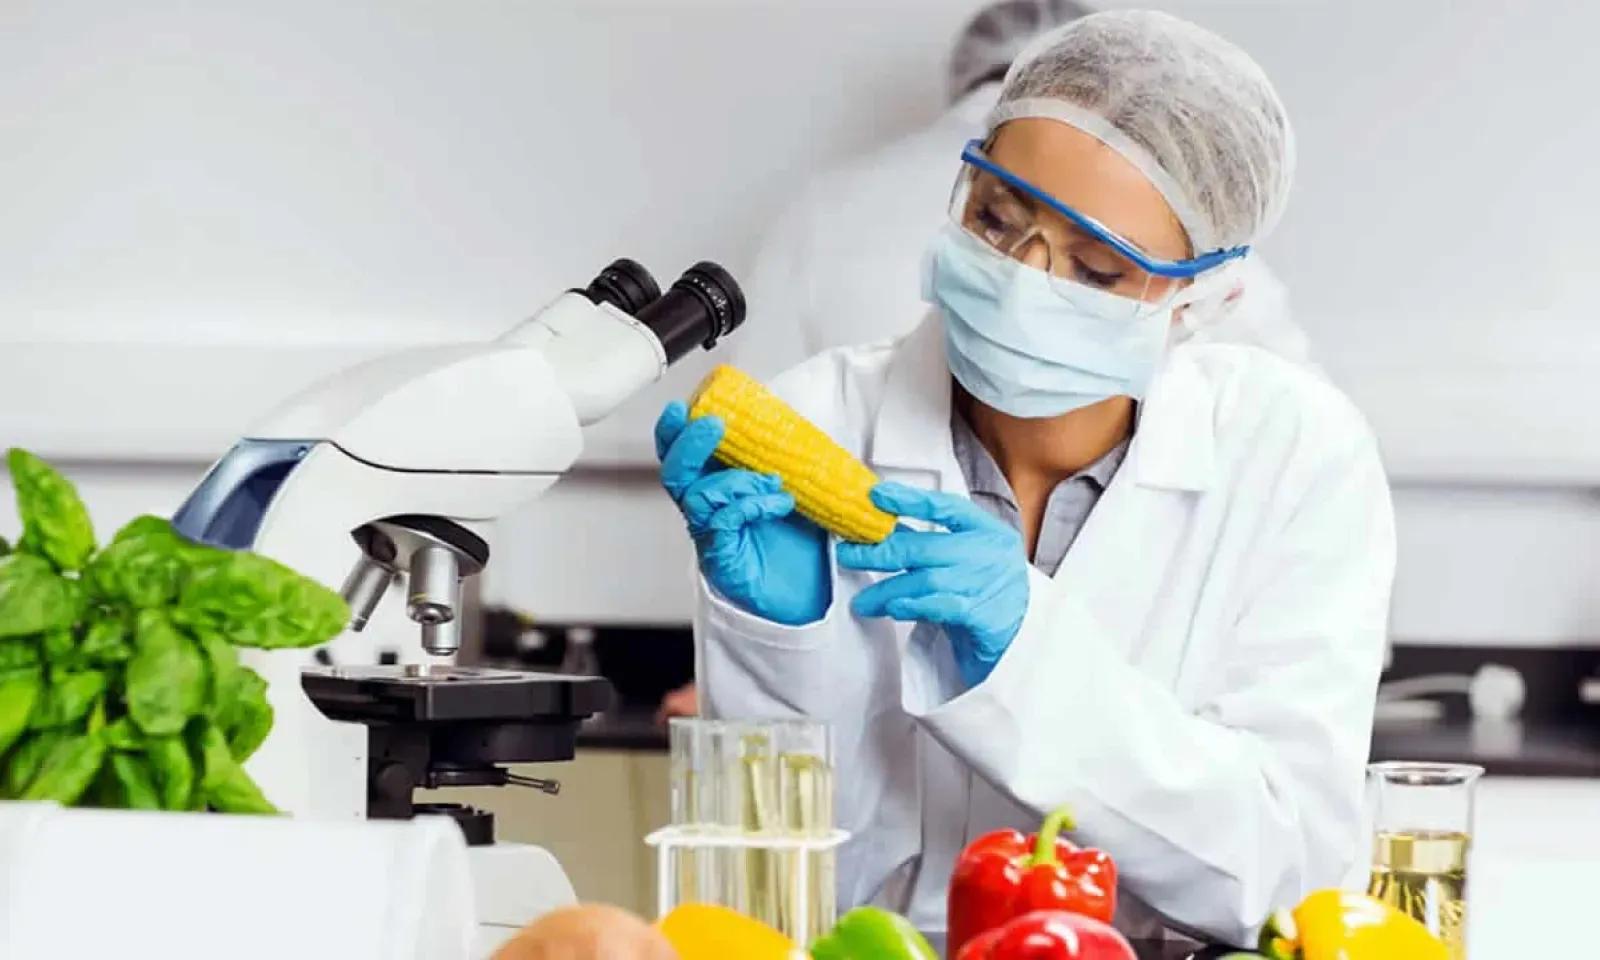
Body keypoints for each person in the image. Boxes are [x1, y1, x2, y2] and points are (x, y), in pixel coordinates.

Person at [652, 9, 1393, 952]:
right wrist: (783, 648)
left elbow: (1288, 868)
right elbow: (770, 897)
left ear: (1204, 298)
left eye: (1098, 269)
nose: (1021, 280)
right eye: (996, 220)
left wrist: (1029, 656)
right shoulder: (819, 417)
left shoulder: (1298, 456)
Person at [726, 0, 1310, 385]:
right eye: (993, 221)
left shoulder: (825, 208)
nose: (1018, 292)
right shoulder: (1178, 227)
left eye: (1096, 269)